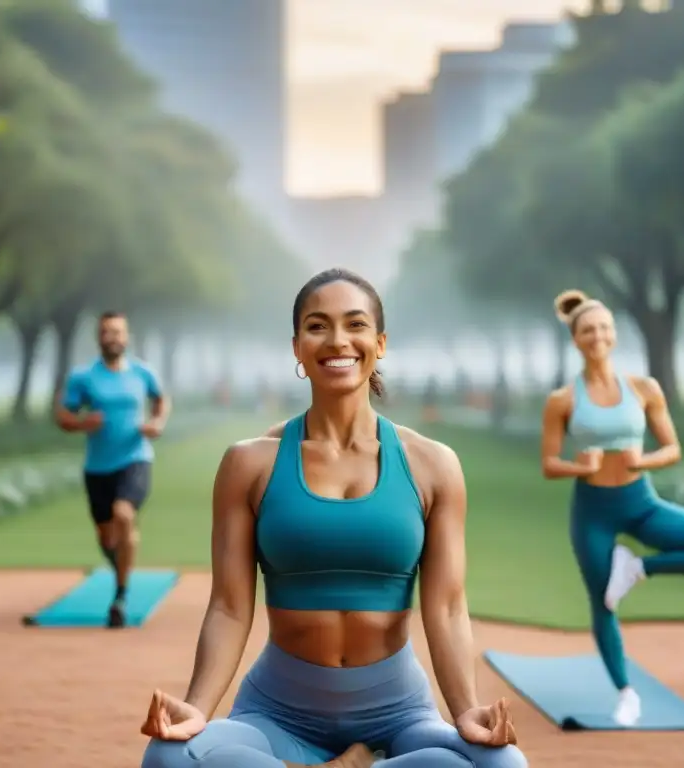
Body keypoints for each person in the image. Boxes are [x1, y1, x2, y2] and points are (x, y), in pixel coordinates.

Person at [139, 268, 525, 768]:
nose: (337, 339)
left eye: (355, 324)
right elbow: (230, 607)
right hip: (277, 714)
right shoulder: (249, 464)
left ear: (379, 343)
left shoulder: (432, 465)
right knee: (169, 757)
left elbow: (447, 607)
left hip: (399, 715)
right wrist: (196, 708)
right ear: (297, 347)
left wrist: (467, 711)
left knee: (502, 765)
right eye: (318, 326)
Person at [540, 289, 684, 728]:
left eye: (605, 328)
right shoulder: (563, 399)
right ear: (576, 339)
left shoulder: (644, 388)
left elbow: (671, 447)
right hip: (593, 512)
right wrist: (579, 465)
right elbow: (549, 464)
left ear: (614, 334)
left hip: (641, 502)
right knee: (603, 603)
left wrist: (642, 459)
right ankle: (626, 693)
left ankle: (638, 568)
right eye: (589, 330)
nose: (598, 336)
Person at [54, 310, 170, 628]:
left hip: (135, 458)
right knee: (107, 538)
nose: (112, 338)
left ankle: (120, 595)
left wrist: (157, 422)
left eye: (118, 332)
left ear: (127, 336)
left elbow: (161, 400)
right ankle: (120, 562)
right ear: (98, 338)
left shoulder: (142, 373)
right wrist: (81, 423)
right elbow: (62, 414)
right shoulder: (84, 377)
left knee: (124, 514)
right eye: (106, 332)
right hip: (97, 468)